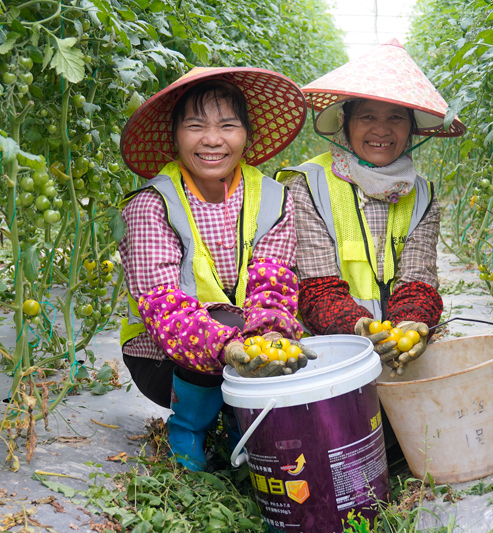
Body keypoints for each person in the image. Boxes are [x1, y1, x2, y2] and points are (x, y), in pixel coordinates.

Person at [118, 67, 314, 471]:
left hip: (241, 337)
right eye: (195, 126)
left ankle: (238, 422)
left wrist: (271, 338)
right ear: (174, 136)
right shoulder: (151, 205)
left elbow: (272, 287)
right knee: (223, 318)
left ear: (247, 136)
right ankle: (188, 430)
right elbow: (162, 308)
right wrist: (228, 347)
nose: (212, 139)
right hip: (161, 356)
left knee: (290, 337)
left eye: (228, 125)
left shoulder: (274, 198)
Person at [276, 39, 466, 376]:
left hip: (398, 355)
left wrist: (411, 323)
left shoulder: (422, 194)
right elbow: (316, 289)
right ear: (346, 123)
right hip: (325, 353)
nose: (381, 130)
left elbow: (418, 280)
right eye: (366, 117)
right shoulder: (308, 185)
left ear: (411, 130)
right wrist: (360, 330)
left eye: (396, 117)